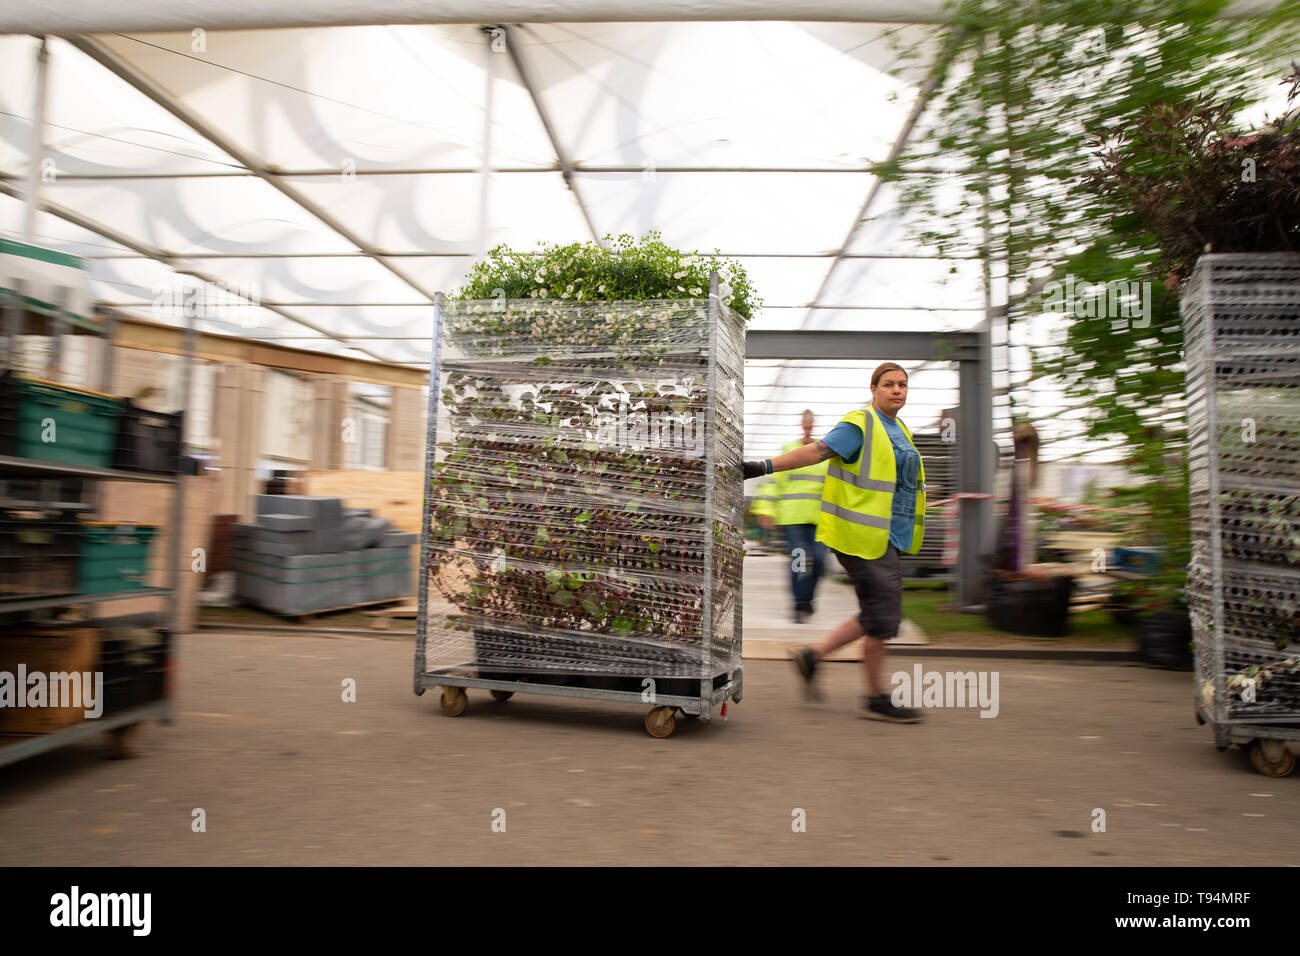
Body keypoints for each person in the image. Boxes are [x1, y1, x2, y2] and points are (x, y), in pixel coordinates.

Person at [742, 362, 926, 723]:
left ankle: (813, 655)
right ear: (873, 389)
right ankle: (874, 697)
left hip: (886, 535)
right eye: (888, 384)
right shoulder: (861, 423)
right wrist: (763, 467)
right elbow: (817, 452)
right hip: (861, 537)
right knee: (883, 616)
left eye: (902, 384)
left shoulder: (900, 428)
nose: (897, 390)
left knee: (877, 611)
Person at [755, 410, 829, 622]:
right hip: (792, 518)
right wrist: (767, 511)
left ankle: (807, 599)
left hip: (818, 518)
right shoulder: (789, 450)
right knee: (799, 561)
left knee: (820, 561)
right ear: (801, 425)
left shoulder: (824, 452)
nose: (808, 427)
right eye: (805, 424)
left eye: (810, 424)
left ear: (813, 424)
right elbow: (773, 481)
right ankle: (798, 605)